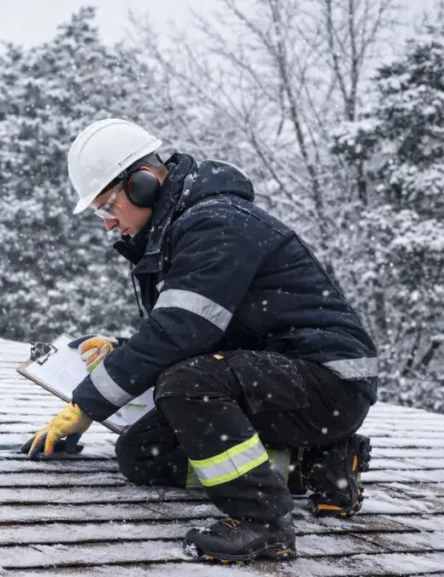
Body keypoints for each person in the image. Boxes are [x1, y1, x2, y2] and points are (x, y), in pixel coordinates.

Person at [21, 118, 378, 563]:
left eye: (106, 207)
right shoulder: (184, 229)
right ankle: (313, 464)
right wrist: (124, 347)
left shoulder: (217, 223)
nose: (108, 224)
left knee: (186, 383)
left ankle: (263, 522)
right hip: (277, 379)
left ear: (143, 185)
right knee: (142, 456)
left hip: (330, 380)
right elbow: (196, 326)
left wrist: (86, 404)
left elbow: (183, 331)